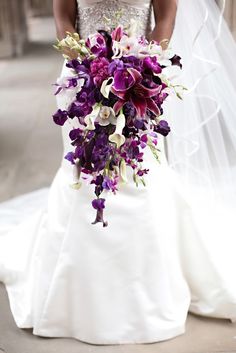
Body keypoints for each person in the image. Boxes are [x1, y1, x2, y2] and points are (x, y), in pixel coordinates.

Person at [0, 0, 236, 345]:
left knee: (140, 174)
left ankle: (149, 287)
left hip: (141, 77)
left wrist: (146, 65)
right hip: (82, 79)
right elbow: (64, 14)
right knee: (82, 171)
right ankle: (76, 287)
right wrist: (82, 62)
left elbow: (166, 13)